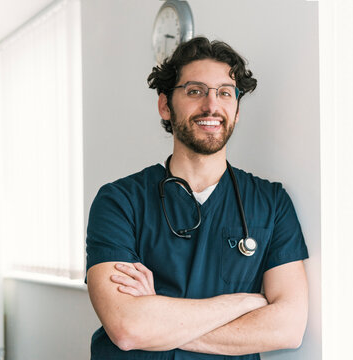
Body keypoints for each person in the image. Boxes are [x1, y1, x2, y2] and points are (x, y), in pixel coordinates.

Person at [85, 37, 309, 360]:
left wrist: (158, 319)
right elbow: (127, 327)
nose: (211, 106)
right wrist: (245, 303)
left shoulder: (271, 204)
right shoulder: (119, 202)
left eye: (225, 92)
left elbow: (288, 327)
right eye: (195, 91)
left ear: (236, 108)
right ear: (165, 105)